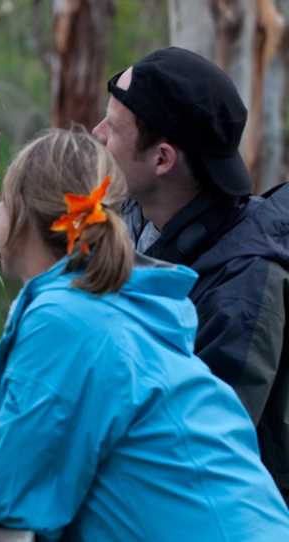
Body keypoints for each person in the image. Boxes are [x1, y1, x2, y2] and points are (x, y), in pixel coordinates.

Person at [0, 129, 289, 540]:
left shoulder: (63, 318)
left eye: (4, 198)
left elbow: (20, 495)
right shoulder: (121, 306)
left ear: (24, 214)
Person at [91, 47, 289, 502]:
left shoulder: (243, 290)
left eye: (114, 128)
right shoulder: (139, 225)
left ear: (162, 160)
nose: (98, 135)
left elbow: (189, 458)